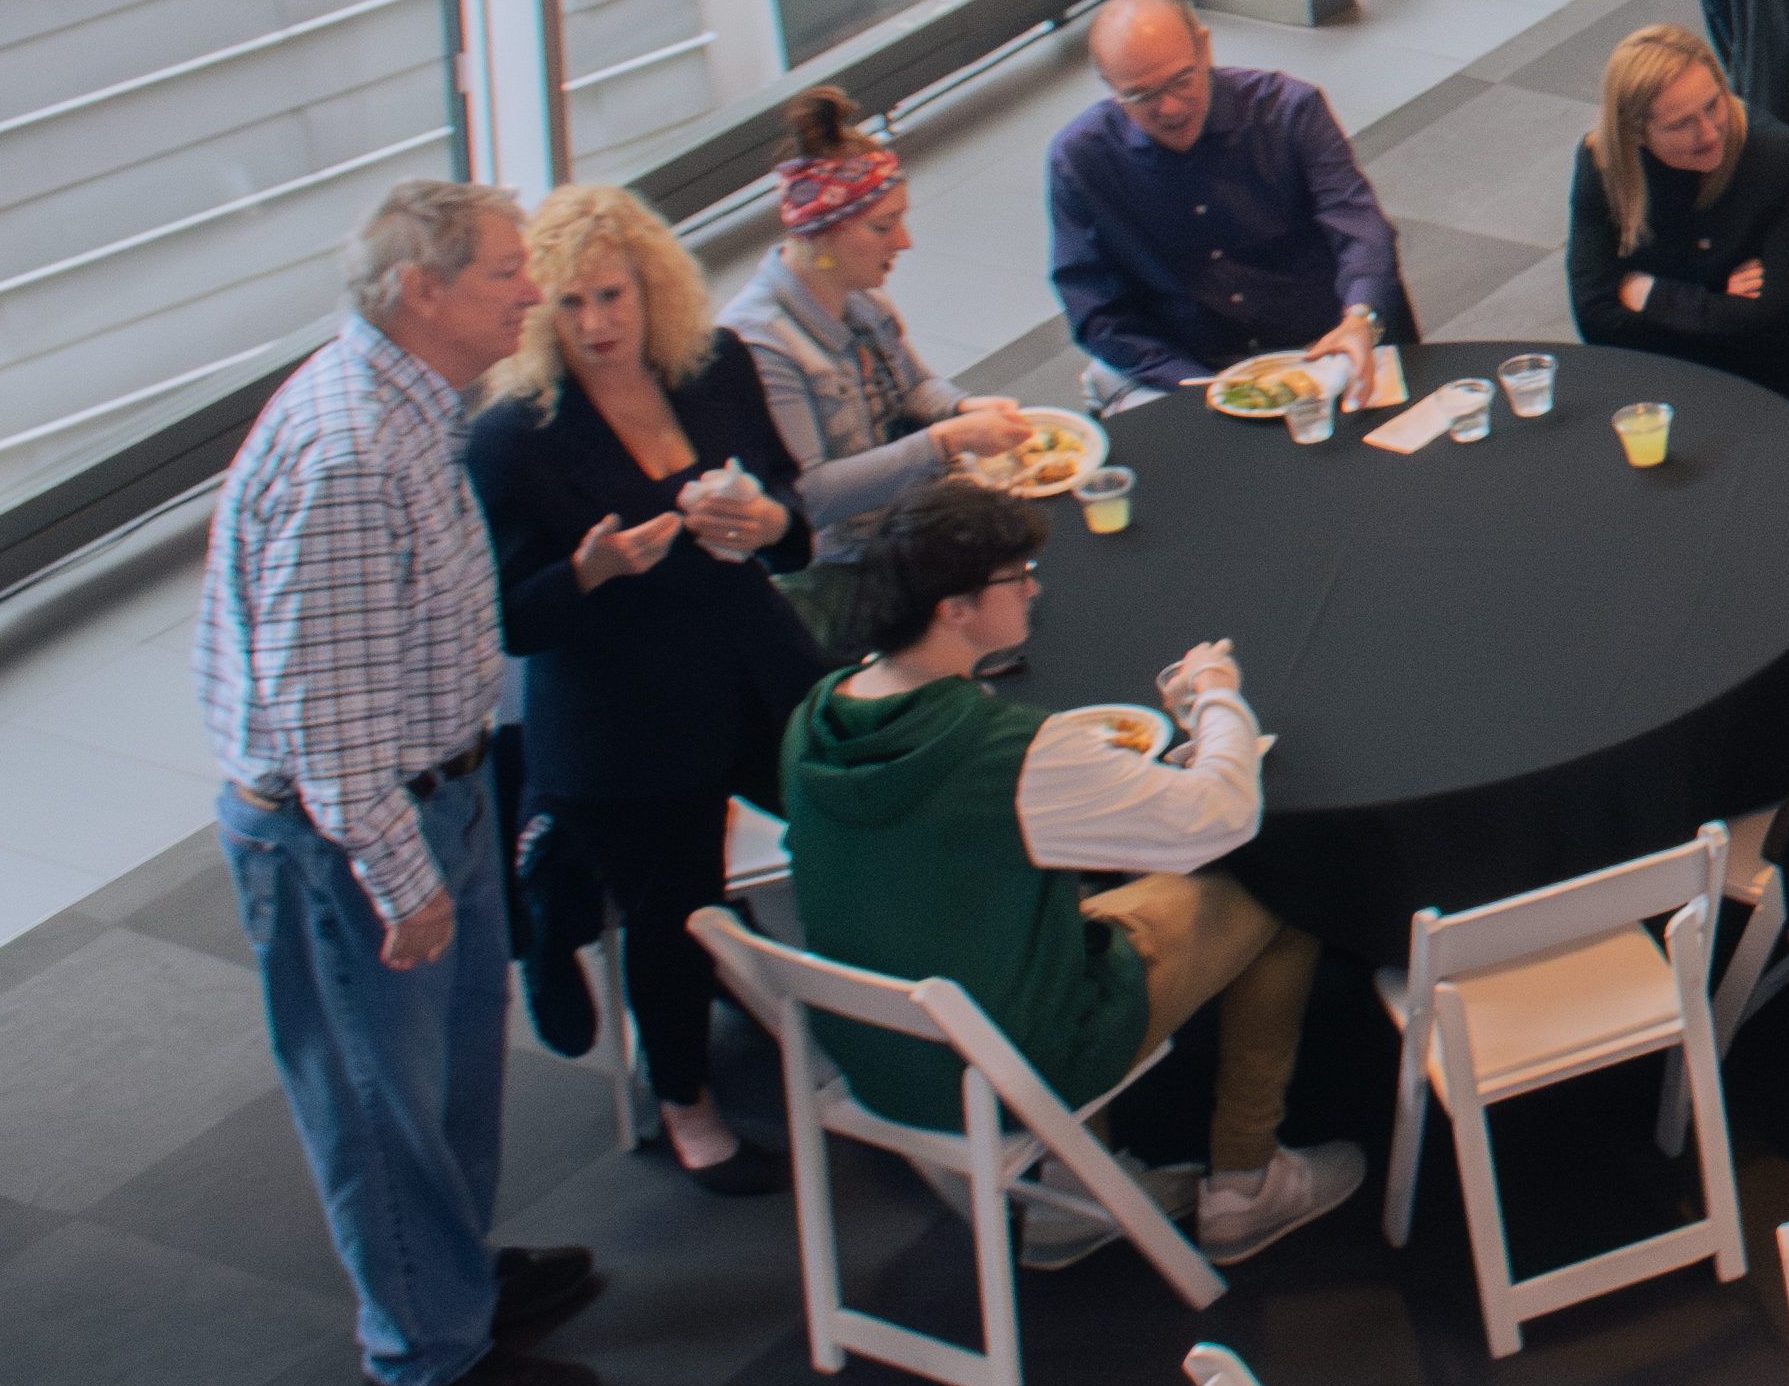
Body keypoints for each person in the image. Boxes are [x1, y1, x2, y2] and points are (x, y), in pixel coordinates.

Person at [205, 182, 600, 1386]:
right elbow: (323, 721)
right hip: (349, 835)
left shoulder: (416, 408)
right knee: (382, 1104)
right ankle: (424, 1361)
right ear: (421, 291)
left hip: (441, 788)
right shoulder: (352, 455)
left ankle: (451, 1279)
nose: (533, 291)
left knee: (449, 1069)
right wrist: (402, 876)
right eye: (505, 272)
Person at [469, 188, 933, 1193]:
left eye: (612, 295)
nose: (596, 323)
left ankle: (905, 1019)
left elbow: (790, 511)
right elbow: (510, 619)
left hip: (754, 665)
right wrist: (589, 571)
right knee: (672, 916)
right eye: (570, 303)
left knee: (866, 820)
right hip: (621, 719)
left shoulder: (715, 364)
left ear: (652, 287)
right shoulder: (513, 437)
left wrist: (768, 524)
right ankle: (686, 1104)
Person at [778, 488, 1362, 1264]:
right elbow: (1221, 815)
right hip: (1006, 1065)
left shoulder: (815, 718)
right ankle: (1247, 1184)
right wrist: (1217, 698)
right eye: (1016, 576)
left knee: (1063, 901)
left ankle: (1077, 1191)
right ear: (955, 609)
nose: (1033, 588)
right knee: (1285, 888)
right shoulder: (1013, 753)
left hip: (872, 1055)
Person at [723, 87, 1037, 598]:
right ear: (822, 233)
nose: (904, 241)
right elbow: (808, 497)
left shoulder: (861, 296)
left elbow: (914, 387)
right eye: (883, 225)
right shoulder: (759, 346)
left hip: (919, 519)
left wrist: (964, 407)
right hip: (853, 571)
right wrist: (945, 440)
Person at [1045, 0, 1403, 394]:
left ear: (1204, 48)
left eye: (1182, 81)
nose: (1170, 108)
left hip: (1322, 344)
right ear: (1110, 85)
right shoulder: (1080, 159)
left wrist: (1359, 317)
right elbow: (1093, 305)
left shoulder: (1287, 109)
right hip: (1190, 367)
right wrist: (1192, 385)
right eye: (1143, 96)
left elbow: (1357, 222)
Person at [1562, 21, 1789, 416]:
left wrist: (1647, 294)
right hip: (1674, 385)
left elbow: (1779, 322)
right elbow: (1595, 320)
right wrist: (1720, 299)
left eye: (1713, 105)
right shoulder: (1603, 164)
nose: (1708, 133)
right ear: (1634, 133)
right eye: (1680, 124)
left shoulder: (1783, 160)